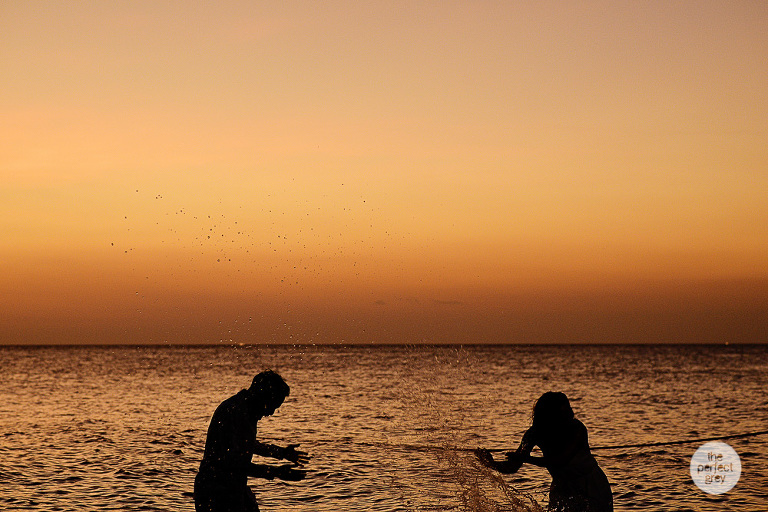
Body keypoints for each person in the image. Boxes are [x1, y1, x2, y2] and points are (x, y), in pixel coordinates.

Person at [475, 392, 612, 512]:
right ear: (549, 415)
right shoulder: (533, 434)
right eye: (562, 413)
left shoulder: (577, 428)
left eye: (568, 410)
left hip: (591, 485)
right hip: (562, 487)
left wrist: (526, 458)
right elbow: (512, 467)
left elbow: (561, 460)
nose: (569, 415)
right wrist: (489, 462)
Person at [194, 370, 310, 512]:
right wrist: (276, 472)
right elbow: (235, 464)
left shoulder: (245, 408)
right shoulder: (236, 412)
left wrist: (280, 452)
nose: (271, 413)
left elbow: (246, 444)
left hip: (231, 487)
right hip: (215, 491)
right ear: (264, 397)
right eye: (273, 406)